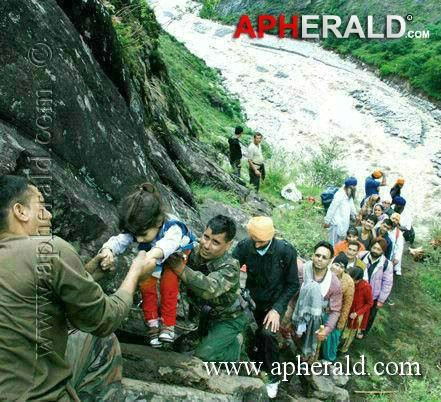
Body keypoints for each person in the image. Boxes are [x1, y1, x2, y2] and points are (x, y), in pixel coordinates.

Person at [0, 176, 156, 400]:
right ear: (20, 211)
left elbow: (35, 305)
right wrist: (135, 274)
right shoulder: (50, 249)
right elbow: (105, 320)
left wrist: (91, 272)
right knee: (102, 340)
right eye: (41, 205)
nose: (50, 215)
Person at [100, 183, 197, 347]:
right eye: (135, 235)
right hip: (153, 251)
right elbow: (121, 239)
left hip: (177, 252)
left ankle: (168, 325)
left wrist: (148, 258)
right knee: (146, 284)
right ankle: (152, 325)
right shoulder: (141, 227)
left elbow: (167, 245)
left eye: (142, 235)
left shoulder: (173, 227)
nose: (137, 239)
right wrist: (107, 249)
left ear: (158, 222)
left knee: (169, 284)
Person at [233, 216, 299, 398]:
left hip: (275, 302)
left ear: (271, 237)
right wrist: (236, 291)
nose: (258, 245)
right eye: (255, 241)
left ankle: (273, 377)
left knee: (268, 334)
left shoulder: (286, 252)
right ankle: (252, 363)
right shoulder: (245, 246)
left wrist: (278, 309)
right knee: (248, 332)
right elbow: (230, 267)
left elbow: (292, 284)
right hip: (251, 300)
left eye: (262, 242)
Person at [170, 215, 250, 363]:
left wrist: (180, 269)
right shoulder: (193, 251)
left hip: (228, 319)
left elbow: (210, 288)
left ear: (228, 245)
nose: (206, 245)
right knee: (177, 347)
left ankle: (235, 346)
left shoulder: (230, 266)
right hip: (204, 317)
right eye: (206, 237)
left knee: (203, 357)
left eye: (215, 242)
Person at [291, 242, 342, 362]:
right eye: (317, 255)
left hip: (317, 320)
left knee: (307, 356)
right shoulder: (301, 271)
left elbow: (335, 310)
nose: (320, 259)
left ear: (330, 261)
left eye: (324, 257)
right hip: (295, 313)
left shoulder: (333, 283)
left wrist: (327, 329)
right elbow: (289, 292)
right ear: (313, 255)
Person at [322, 253, 354, 362]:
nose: (338, 268)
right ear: (331, 263)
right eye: (336, 264)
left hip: (334, 314)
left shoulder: (348, 282)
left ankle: (328, 360)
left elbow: (347, 304)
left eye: (341, 267)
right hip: (318, 310)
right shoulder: (323, 272)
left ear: (344, 269)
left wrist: (341, 322)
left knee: (330, 339)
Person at [358, 238, 393, 337]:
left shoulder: (387, 264)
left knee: (370, 315)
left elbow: (387, 284)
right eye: (374, 248)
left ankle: (363, 332)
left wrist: (381, 300)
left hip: (374, 295)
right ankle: (353, 330)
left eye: (378, 249)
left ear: (383, 251)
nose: (375, 251)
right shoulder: (361, 255)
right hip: (359, 292)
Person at [340, 267, 374, 351]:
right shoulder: (346, 283)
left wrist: (357, 313)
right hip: (345, 310)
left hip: (355, 314)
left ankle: (344, 349)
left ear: (358, 280)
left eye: (353, 280)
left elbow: (370, 303)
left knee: (349, 333)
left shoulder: (366, 287)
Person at [324, 177, 357, 247]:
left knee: (340, 245)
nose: (355, 188)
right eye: (354, 186)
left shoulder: (349, 195)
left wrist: (355, 215)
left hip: (344, 224)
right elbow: (332, 208)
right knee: (332, 244)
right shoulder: (339, 194)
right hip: (335, 224)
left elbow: (352, 207)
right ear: (349, 187)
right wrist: (327, 221)